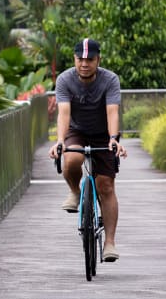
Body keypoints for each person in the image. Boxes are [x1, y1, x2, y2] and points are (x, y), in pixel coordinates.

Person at [49, 38, 127, 262]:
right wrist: (60, 141)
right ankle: (75, 191)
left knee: (106, 186)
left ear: (97, 60)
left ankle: (110, 243)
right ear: (75, 59)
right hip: (77, 131)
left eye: (89, 59)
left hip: (103, 133)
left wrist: (113, 138)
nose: (84, 64)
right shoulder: (65, 79)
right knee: (72, 158)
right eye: (80, 59)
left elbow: (112, 111)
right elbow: (63, 113)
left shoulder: (110, 79)